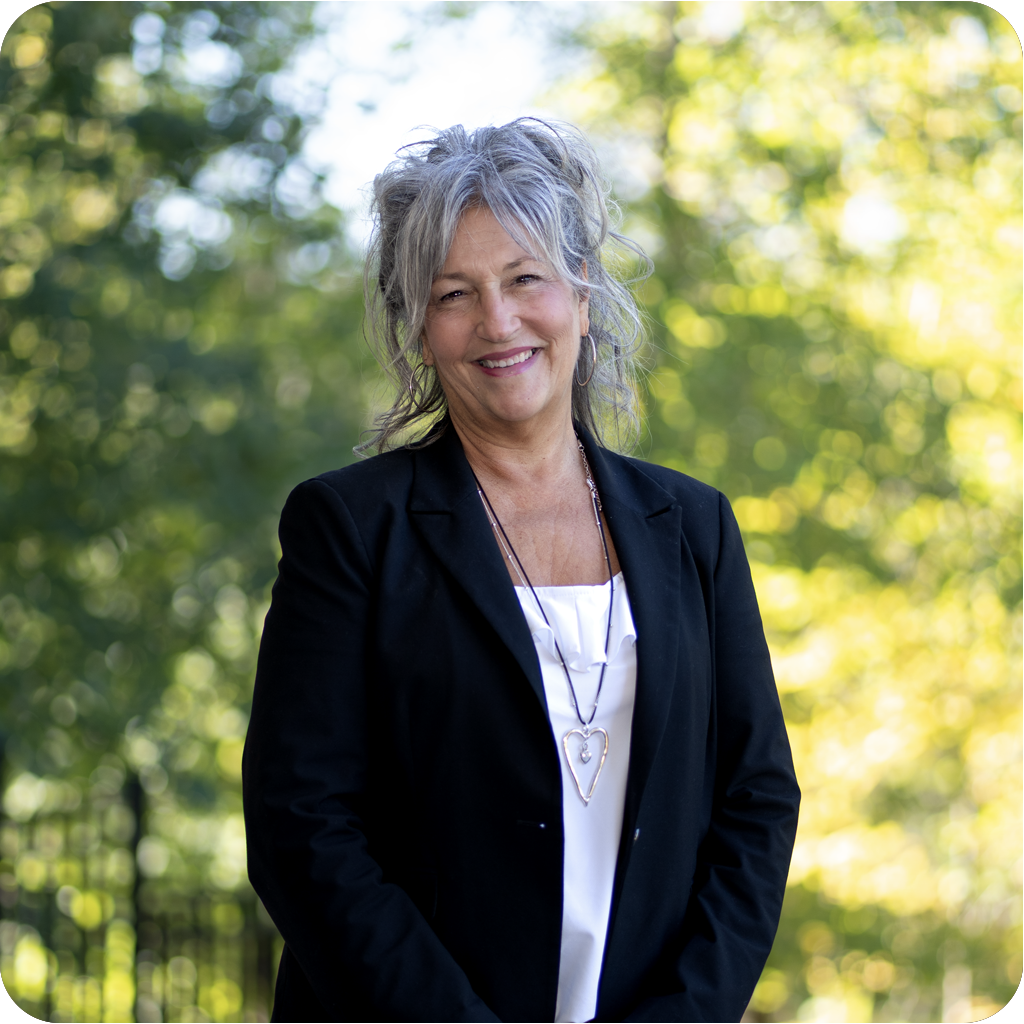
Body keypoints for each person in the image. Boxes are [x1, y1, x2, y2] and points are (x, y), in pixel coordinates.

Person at [242, 119, 800, 1023]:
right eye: (453, 293)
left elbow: (756, 800)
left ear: (581, 292)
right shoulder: (350, 528)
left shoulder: (694, 527)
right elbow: (301, 826)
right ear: (419, 328)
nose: (497, 322)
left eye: (524, 279)